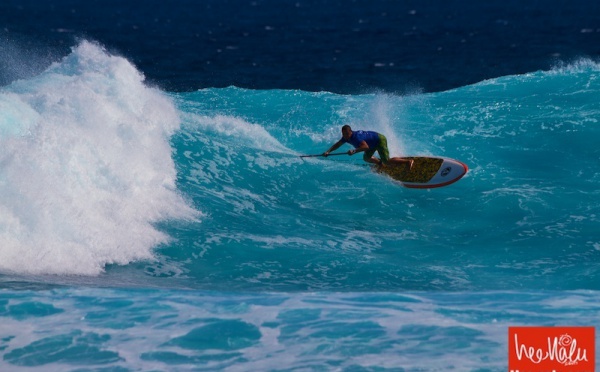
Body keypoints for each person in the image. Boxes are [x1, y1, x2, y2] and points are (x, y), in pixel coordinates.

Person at [323, 125, 413, 168]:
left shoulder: (356, 137)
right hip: (372, 143)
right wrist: (328, 151)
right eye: (343, 134)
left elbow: (365, 147)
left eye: (346, 133)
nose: (345, 135)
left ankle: (408, 162)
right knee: (366, 158)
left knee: (387, 161)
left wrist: (354, 151)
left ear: (351, 131)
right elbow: (338, 144)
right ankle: (380, 164)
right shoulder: (346, 137)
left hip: (379, 140)